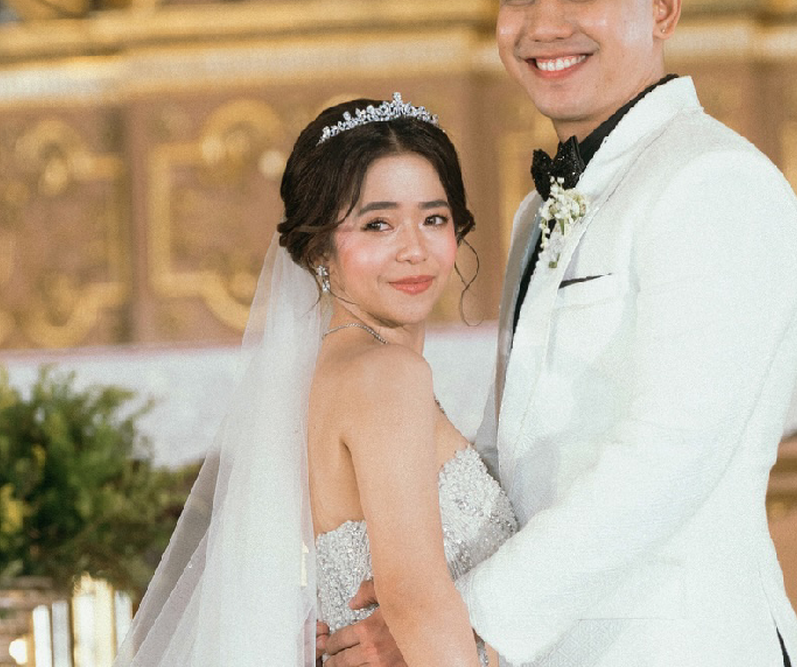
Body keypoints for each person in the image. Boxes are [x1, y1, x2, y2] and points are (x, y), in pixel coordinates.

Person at [320, 0, 797, 666]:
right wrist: (398, 597)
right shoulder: (538, 211)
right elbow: (522, 456)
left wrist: (460, 622)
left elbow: (668, 454)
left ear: (662, 6)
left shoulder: (714, 182)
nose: (544, 24)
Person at [113, 94, 516, 667]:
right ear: (319, 248)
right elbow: (415, 601)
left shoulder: (321, 376)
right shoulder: (387, 375)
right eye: (378, 224)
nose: (414, 249)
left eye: (434, 218)